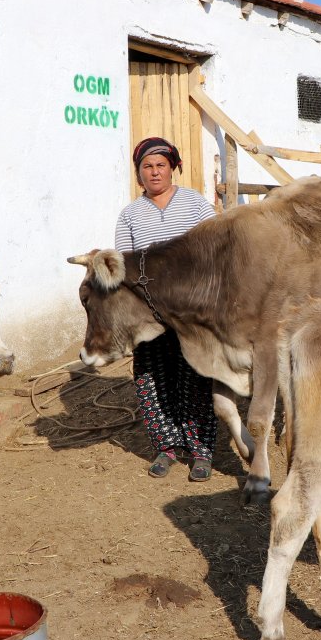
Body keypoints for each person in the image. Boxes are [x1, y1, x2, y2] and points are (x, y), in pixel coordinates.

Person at [115, 137, 219, 482]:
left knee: (196, 376)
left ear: (173, 167)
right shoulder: (130, 214)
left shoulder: (195, 204)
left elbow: (215, 249)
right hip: (149, 314)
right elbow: (124, 267)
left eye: (161, 165)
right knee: (152, 379)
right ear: (139, 174)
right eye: (147, 166)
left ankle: (201, 451)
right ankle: (167, 446)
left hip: (191, 310)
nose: (154, 172)